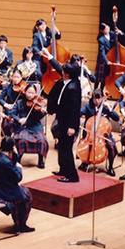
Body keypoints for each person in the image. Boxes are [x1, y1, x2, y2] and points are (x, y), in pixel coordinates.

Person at [45, 52, 81, 182]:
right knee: (61, 146)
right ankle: (63, 169)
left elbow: (74, 110)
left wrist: (72, 127)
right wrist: (49, 56)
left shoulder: (73, 88)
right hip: (62, 118)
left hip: (69, 122)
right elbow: (59, 67)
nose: (62, 72)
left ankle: (72, 175)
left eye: (63, 71)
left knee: (66, 149)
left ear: (67, 74)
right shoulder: (68, 80)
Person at [0, 137, 35, 233]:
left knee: (24, 190)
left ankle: (19, 223)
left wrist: (16, 155)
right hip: (7, 192)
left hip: (0, 187)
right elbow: (18, 178)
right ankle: (21, 224)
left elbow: (12, 162)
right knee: (27, 197)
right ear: (12, 147)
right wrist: (19, 167)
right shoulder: (6, 162)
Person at [78, 89, 120, 176]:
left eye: (99, 98)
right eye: (95, 99)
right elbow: (79, 113)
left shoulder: (105, 108)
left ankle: (110, 167)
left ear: (102, 98)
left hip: (103, 134)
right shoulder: (88, 107)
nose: (97, 101)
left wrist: (110, 108)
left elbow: (117, 118)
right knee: (83, 143)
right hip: (89, 134)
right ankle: (85, 162)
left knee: (111, 146)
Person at [8, 82, 48, 169]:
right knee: (22, 139)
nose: (30, 95)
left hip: (35, 125)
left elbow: (37, 118)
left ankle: (40, 159)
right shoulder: (19, 103)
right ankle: (19, 157)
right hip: (23, 126)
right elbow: (12, 114)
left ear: (35, 94)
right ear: (25, 92)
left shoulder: (38, 104)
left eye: (32, 93)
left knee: (42, 140)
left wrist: (42, 112)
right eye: (28, 92)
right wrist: (19, 120)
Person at [95, 23, 123, 91]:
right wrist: (106, 61)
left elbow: (120, 36)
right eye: (106, 29)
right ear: (102, 31)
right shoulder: (101, 39)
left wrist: (120, 32)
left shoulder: (111, 33)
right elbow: (102, 52)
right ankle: (95, 91)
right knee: (99, 78)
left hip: (110, 58)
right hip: (103, 60)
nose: (108, 29)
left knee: (105, 77)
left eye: (108, 28)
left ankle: (101, 90)